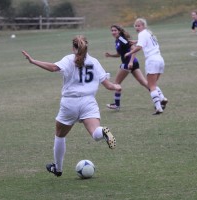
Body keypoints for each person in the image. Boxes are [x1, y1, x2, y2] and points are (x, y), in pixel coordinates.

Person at [22, 35, 121, 177]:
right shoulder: (94, 62)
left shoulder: (69, 59)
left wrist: (33, 61)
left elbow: (53, 68)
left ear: (73, 47)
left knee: (60, 135)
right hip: (89, 102)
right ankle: (103, 132)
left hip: (70, 102)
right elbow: (108, 85)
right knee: (95, 133)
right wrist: (116, 86)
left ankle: (58, 168)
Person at [125, 18, 167, 115]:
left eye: (139, 25)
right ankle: (162, 99)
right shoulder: (148, 33)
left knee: (151, 85)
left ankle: (158, 108)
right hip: (160, 59)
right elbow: (145, 42)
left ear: (144, 26)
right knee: (154, 84)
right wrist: (136, 41)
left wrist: (129, 53)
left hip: (152, 60)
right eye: (135, 25)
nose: (137, 27)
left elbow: (139, 47)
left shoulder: (142, 34)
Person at [105, 24, 149, 111]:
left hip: (128, 64)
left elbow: (133, 49)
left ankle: (116, 105)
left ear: (119, 31)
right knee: (143, 82)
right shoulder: (117, 40)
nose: (113, 32)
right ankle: (159, 97)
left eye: (115, 30)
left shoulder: (121, 39)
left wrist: (131, 62)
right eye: (112, 30)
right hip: (133, 63)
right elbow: (119, 54)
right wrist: (110, 55)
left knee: (116, 83)